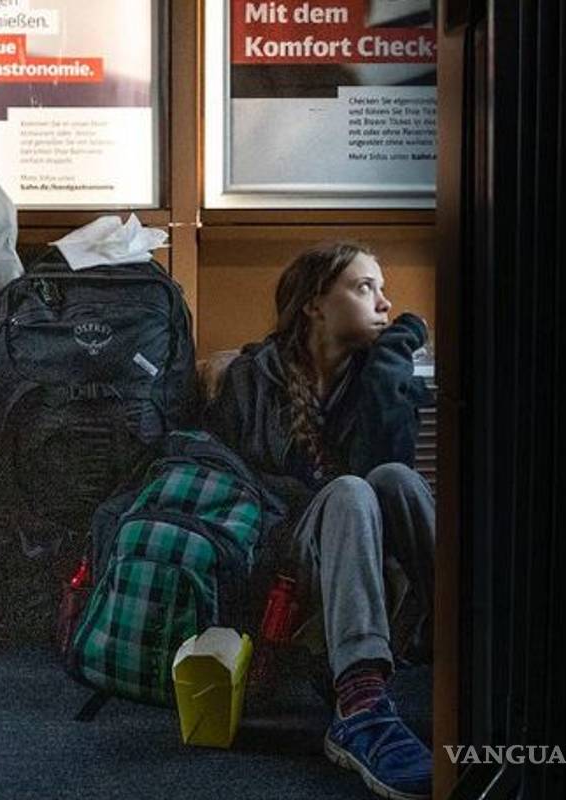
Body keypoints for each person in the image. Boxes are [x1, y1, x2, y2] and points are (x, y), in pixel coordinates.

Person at [203, 241, 435, 800]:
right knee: (350, 490)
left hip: (368, 551)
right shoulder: (250, 377)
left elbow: (388, 466)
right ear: (314, 303)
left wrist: (388, 368)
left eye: (383, 289)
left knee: (393, 482)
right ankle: (358, 704)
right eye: (364, 287)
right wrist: (324, 500)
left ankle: (489, 651)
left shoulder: (377, 374)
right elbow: (237, 489)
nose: (385, 302)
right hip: (282, 559)